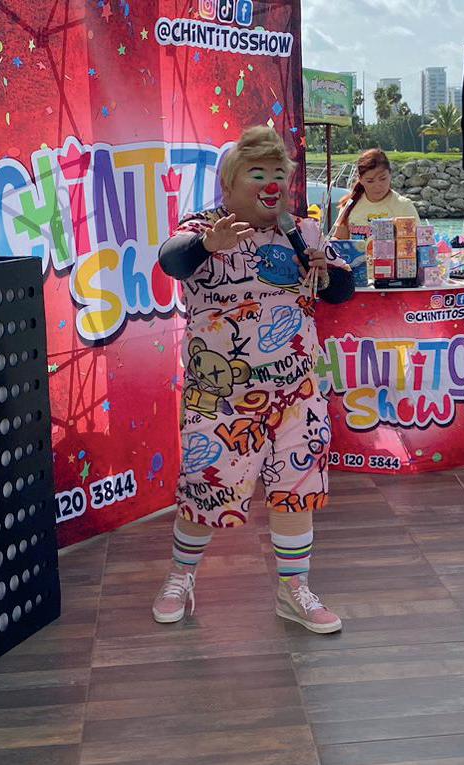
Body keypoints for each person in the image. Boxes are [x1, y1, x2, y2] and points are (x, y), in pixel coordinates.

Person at [152, 125, 355, 633]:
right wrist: (208, 244)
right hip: (220, 398)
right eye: (257, 173)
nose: (272, 184)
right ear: (229, 183)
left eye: (279, 173)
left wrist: (328, 272)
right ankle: (180, 576)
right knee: (205, 490)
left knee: (296, 491)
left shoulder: (303, 231)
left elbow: (342, 291)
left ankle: (293, 589)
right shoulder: (203, 226)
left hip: (298, 394)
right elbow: (172, 259)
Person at [332, 148, 419, 240]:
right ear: (360, 179)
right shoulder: (349, 205)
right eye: (370, 181)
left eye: (382, 179)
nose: (377, 186)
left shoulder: (404, 206)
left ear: (390, 174)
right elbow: (339, 241)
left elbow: (418, 243)